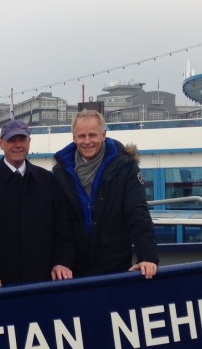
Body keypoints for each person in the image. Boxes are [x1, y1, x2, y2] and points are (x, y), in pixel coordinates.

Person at [0, 120, 74, 289]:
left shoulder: (49, 181)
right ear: (1, 143)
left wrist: (61, 261)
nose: (17, 145)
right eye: (11, 140)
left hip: (43, 281)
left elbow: (63, 230)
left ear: (29, 141)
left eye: (22, 140)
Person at [52, 109, 158, 279]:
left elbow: (138, 214)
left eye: (92, 135)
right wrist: (60, 261)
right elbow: (58, 224)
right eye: (81, 136)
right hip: (73, 271)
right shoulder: (60, 173)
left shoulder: (125, 168)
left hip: (115, 268)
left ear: (103, 135)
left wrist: (147, 257)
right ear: (73, 138)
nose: (87, 141)